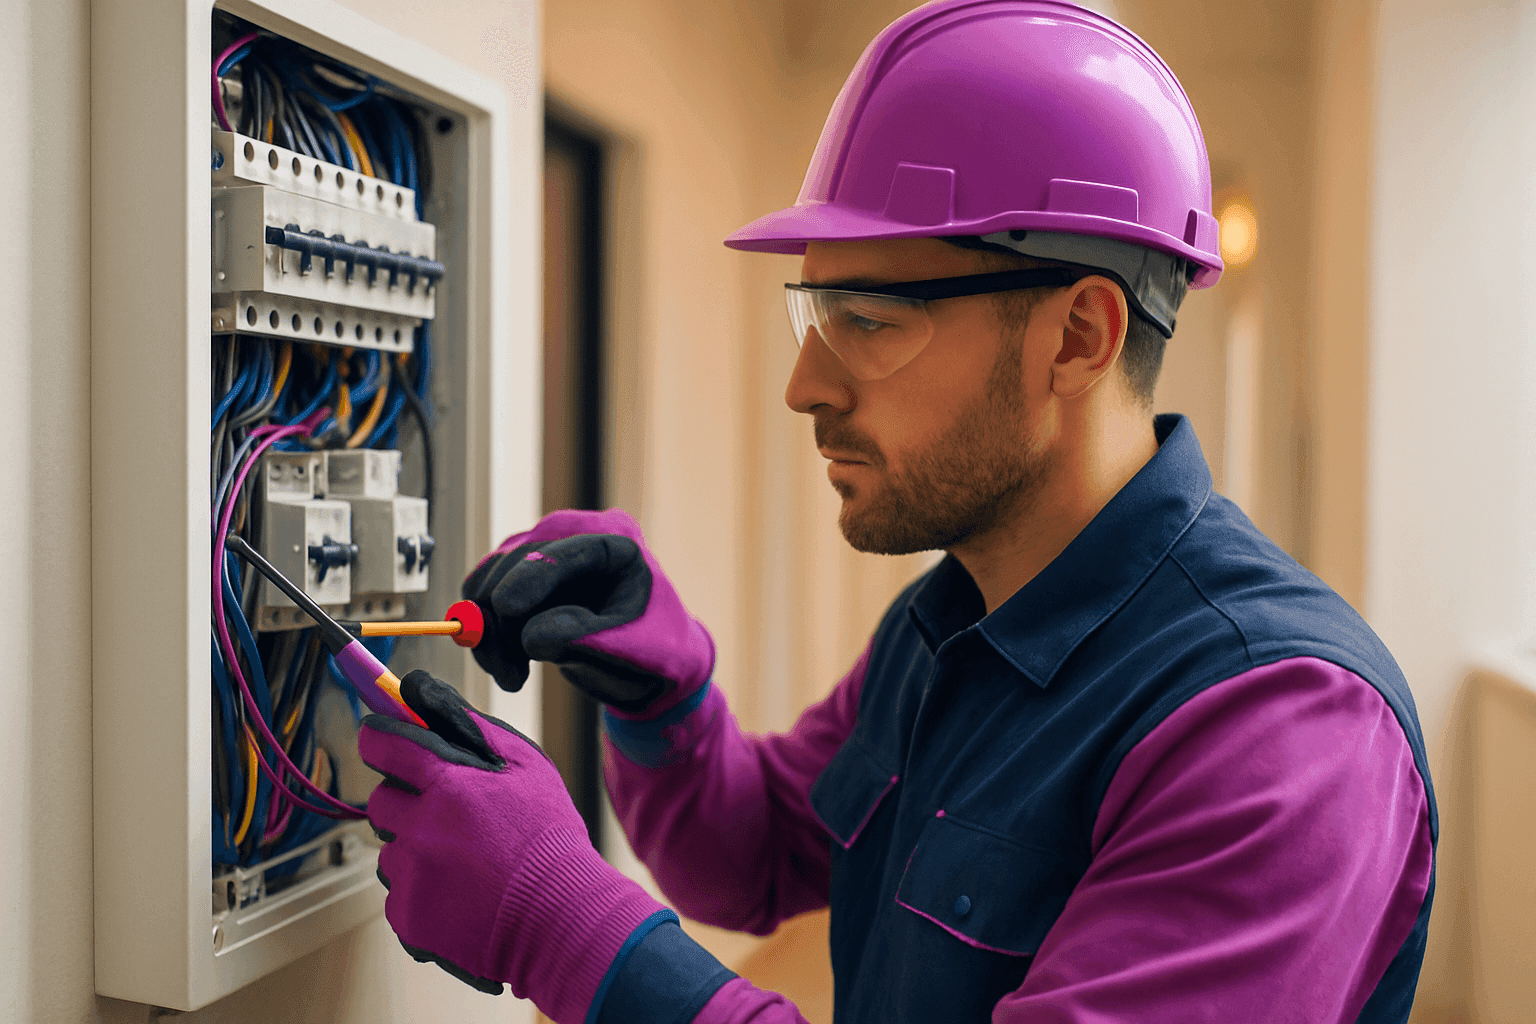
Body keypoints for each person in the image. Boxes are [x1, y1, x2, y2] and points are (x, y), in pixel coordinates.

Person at [357, 2, 1437, 1022]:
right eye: (815, 311)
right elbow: (758, 854)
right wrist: (664, 703)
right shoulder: (956, 617)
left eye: (868, 317)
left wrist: (566, 926)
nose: (807, 385)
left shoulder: (1280, 731)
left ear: (1078, 336)